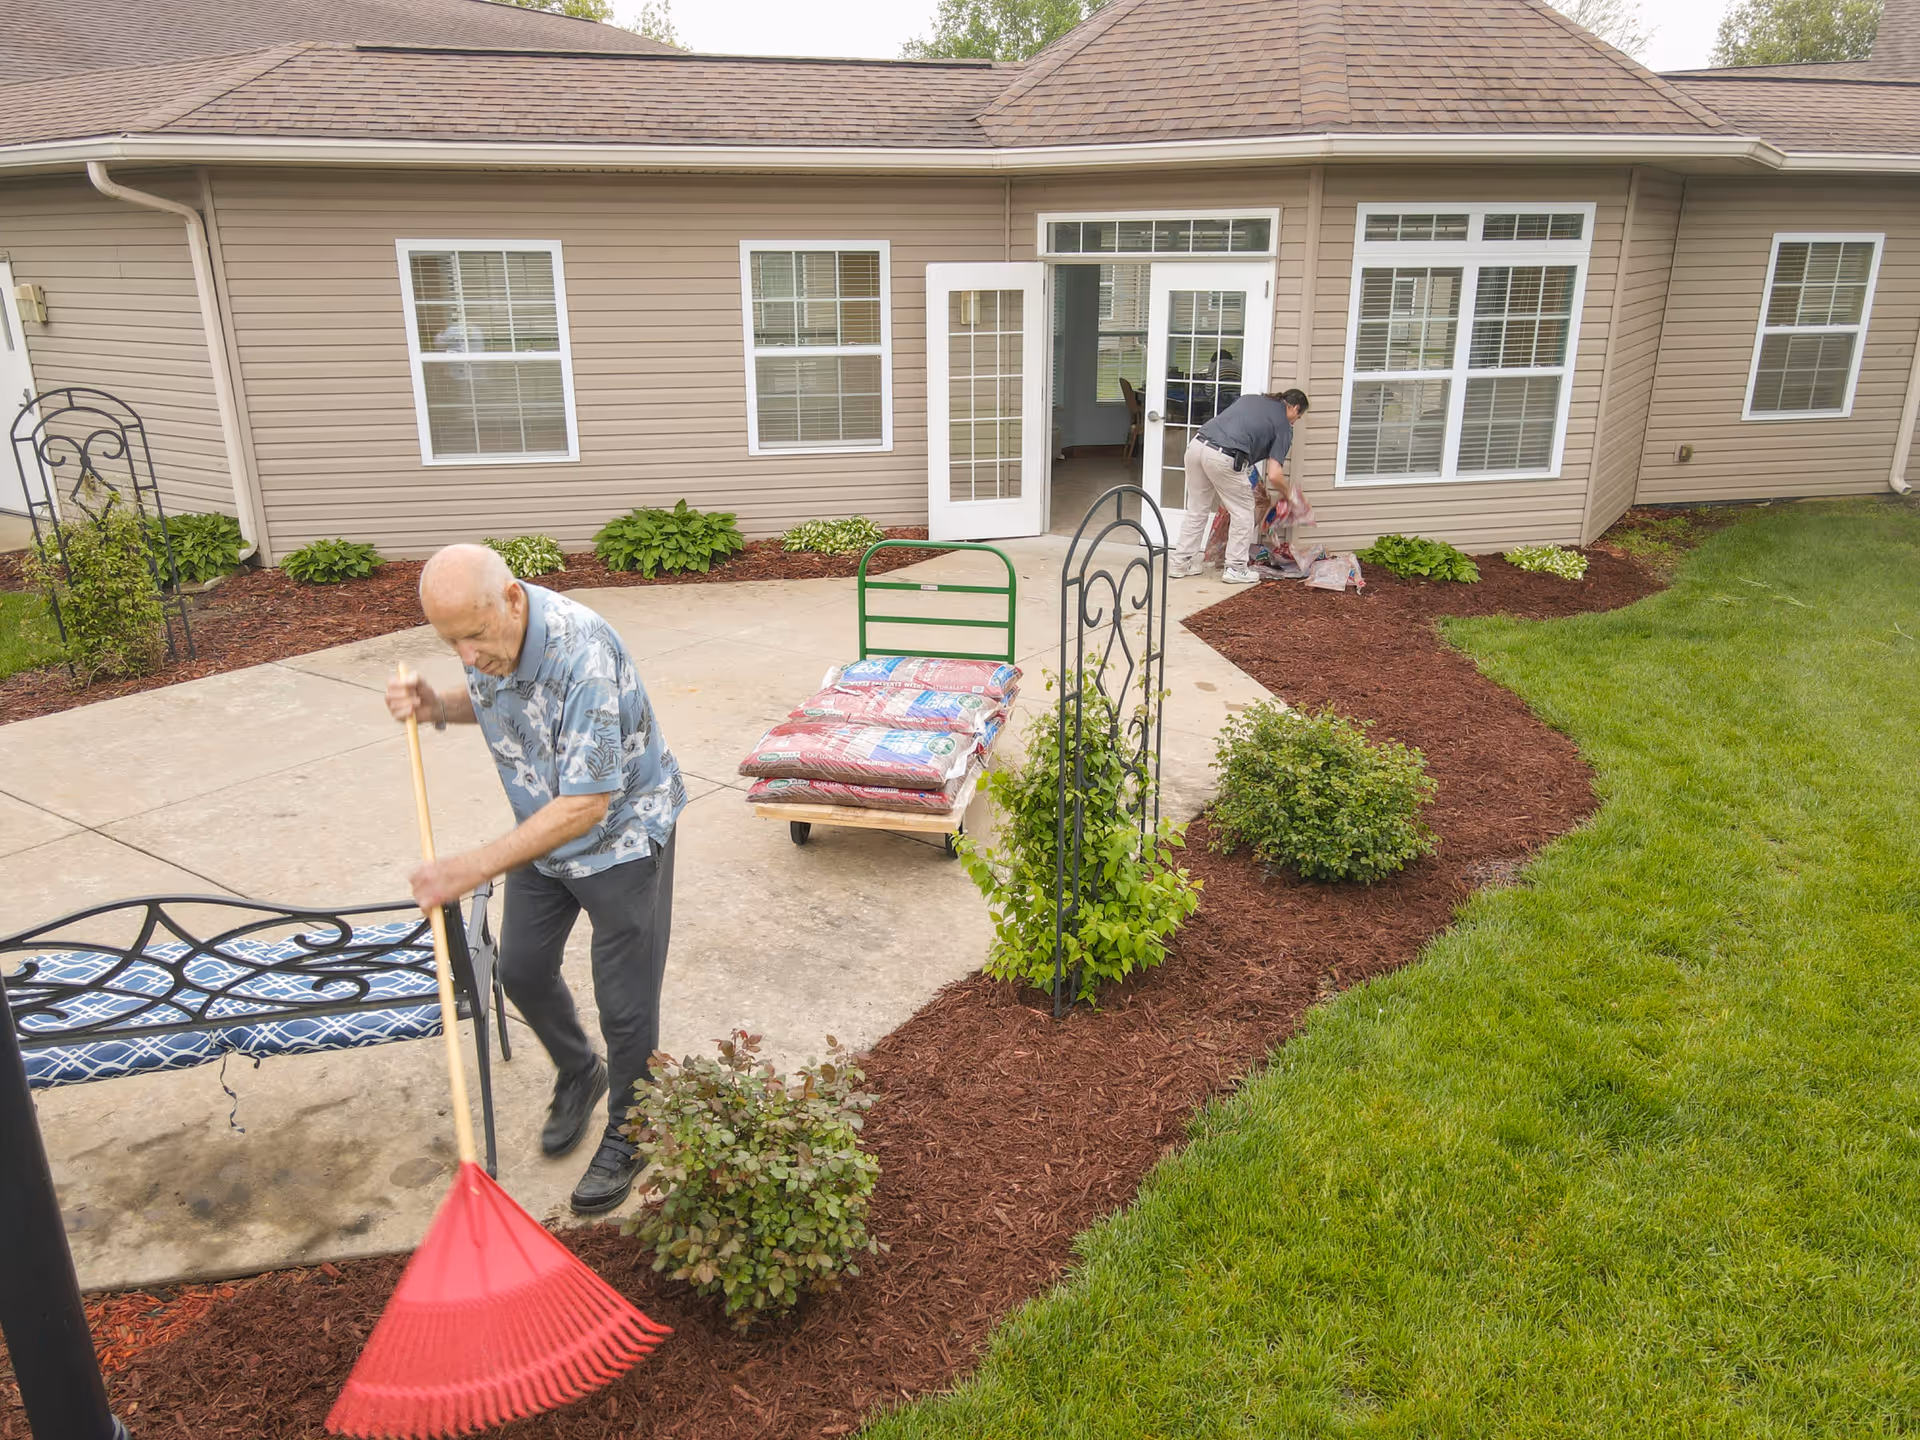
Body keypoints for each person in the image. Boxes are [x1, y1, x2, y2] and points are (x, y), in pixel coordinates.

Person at [385, 544, 687, 1215]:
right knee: (519, 968)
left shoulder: (583, 656)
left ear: (513, 599)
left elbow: (587, 805)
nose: (466, 654)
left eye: (473, 636)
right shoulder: (495, 637)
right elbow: (498, 697)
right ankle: (581, 1071)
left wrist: (473, 865)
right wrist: (438, 705)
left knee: (625, 1003)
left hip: (621, 840)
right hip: (545, 833)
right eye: (449, 643)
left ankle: (632, 1130)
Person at [1169, 387, 1309, 584]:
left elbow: (1240, 434)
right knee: (1243, 512)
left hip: (1196, 446)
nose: (1296, 420)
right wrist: (1291, 496)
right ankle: (1235, 568)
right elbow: (1275, 475)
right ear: (1294, 408)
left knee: (1197, 509)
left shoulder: (1251, 399)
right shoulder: (1284, 425)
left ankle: (1180, 563)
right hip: (1223, 456)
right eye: (1299, 416)